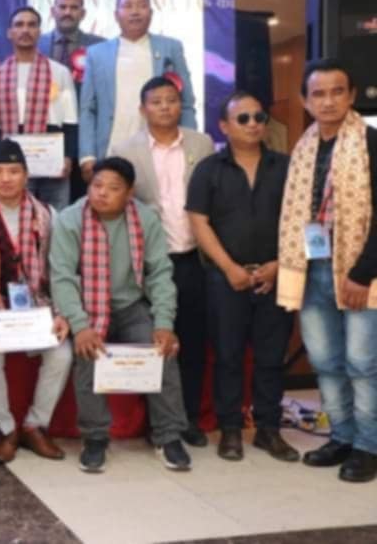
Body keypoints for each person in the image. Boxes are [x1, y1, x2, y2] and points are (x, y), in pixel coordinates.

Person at [49, 157, 190, 473]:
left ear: (129, 193)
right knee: (87, 353)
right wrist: (80, 325)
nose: (101, 193)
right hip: (87, 307)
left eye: (113, 188)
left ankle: (168, 436)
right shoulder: (70, 220)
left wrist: (164, 323)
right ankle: (95, 437)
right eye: (97, 185)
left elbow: (160, 273)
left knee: (162, 351)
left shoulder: (146, 219)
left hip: (131, 307)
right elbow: (62, 278)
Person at [278, 59, 377, 483]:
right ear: (305, 100)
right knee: (325, 360)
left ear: (352, 96)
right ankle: (341, 436)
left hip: (360, 268)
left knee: (362, 363)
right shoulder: (303, 148)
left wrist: (362, 273)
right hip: (313, 266)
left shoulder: (370, 142)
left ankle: (368, 446)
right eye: (318, 93)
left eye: (338, 92)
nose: (328, 101)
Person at [186, 92, 298, 462]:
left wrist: (279, 264)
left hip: (275, 274)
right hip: (225, 278)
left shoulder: (286, 166)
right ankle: (230, 429)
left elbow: (302, 220)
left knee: (271, 357)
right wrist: (229, 267)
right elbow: (199, 221)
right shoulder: (209, 169)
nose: (253, 124)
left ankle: (268, 429)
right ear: (224, 126)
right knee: (228, 355)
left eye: (259, 117)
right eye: (243, 118)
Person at [113, 76, 214, 447]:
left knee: (192, 339)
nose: (165, 107)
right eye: (156, 102)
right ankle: (155, 420)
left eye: (171, 100)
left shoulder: (201, 144)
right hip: (150, 262)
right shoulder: (126, 150)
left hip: (194, 256)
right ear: (143, 109)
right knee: (154, 339)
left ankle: (188, 419)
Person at [0, 139, 72, 462]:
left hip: (36, 307)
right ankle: (5, 428)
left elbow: (58, 268)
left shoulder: (48, 214)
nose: (6, 178)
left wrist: (60, 313)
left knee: (62, 354)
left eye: (13, 171)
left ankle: (35, 424)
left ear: (26, 175)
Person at [78, 0, 196, 180]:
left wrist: (189, 145)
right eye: (128, 6)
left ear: (151, 12)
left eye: (142, 5)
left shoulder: (170, 48)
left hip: (161, 146)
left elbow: (186, 103)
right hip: (112, 147)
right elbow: (88, 108)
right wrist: (87, 154)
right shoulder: (97, 54)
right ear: (116, 14)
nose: (135, 12)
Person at [0, 6, 78, 211]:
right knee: (17, 214)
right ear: (9, 32)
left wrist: (68, 156)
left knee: (56, 215)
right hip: (12, 159)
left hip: (53, 156)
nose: (25, 30)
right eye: (19, 25)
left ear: (39, 31)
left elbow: (71, 120)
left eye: (31, 25)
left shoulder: (59, 72)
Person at [38, 0, 105, 204]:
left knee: (85, 202)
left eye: (74, 7)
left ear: (83, 13)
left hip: (88, 135)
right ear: (53, 11)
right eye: (63, 6)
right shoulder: (35, 45)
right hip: (45, 138)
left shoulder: (100, 47)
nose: (67, 12)